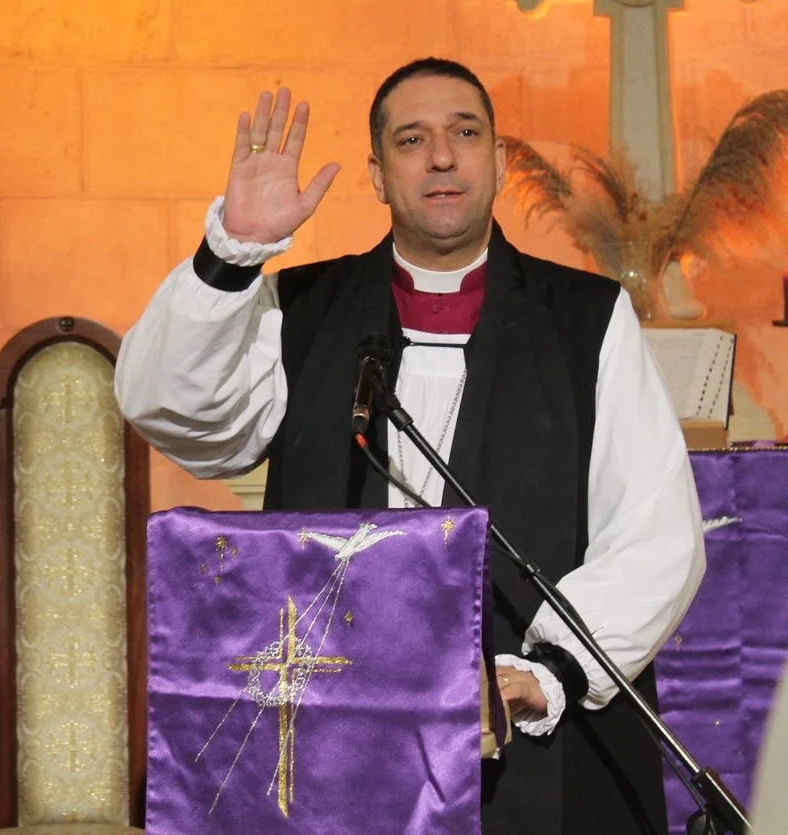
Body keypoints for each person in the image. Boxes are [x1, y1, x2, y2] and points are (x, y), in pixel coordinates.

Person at [115, 58, 706, 834]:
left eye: (465, 132)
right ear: (378, 174)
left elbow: (656, 529)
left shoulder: (586, 319)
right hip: (337, 739)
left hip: (530, 732)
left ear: (498, 160)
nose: (442, 156)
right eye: (412, 139)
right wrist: (234, 251)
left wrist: (547, 671)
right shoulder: (302, 311)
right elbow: (166, 403)